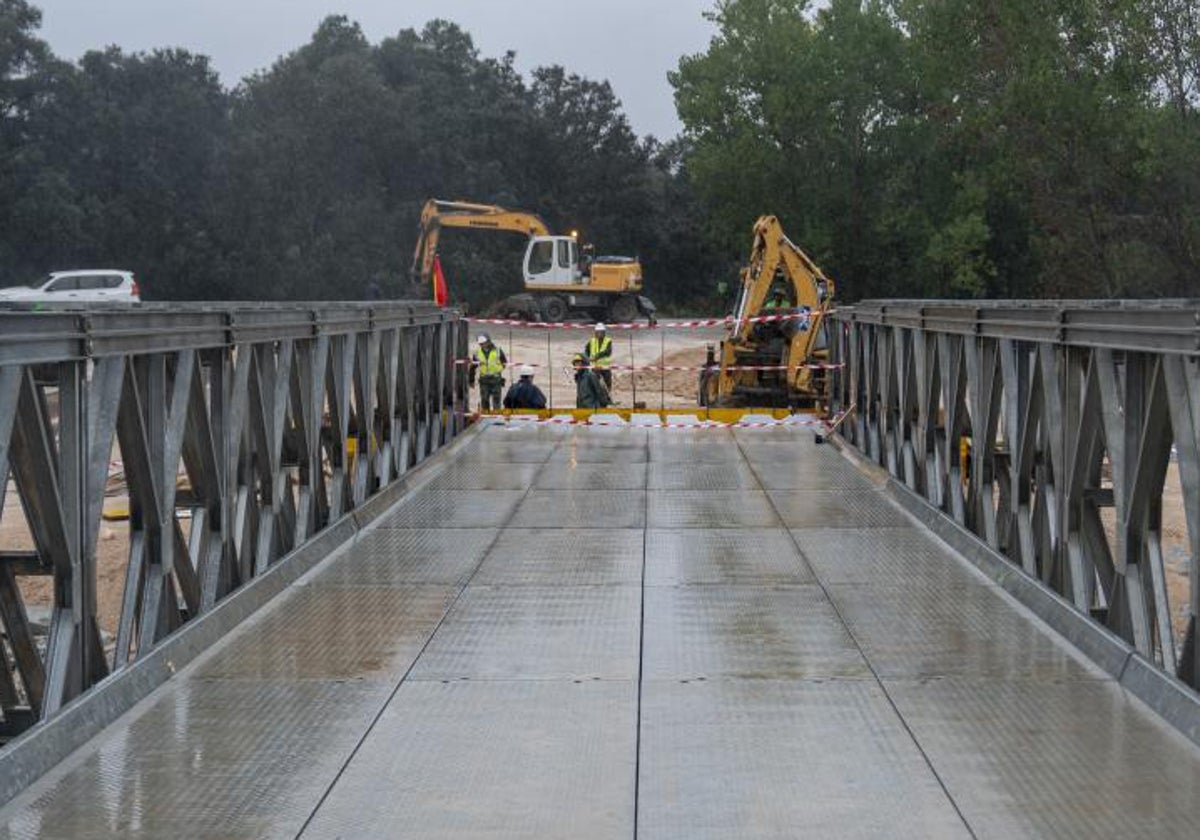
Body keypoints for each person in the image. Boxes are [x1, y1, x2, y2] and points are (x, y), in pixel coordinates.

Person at [469, 334, 507, 411]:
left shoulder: (498, 350)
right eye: (480, 344)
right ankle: (485, 418)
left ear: (488, 342)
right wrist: (471, 380)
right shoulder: (477, 353)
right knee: (485, 400)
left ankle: (496, 418)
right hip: (484, 380)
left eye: (483, 343)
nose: (482, 345)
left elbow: (504, 362)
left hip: (496, 380)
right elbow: (473, 367)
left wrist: (498, 370)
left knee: (496, 401)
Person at [584, 322, 614, 391]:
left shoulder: (608, 341)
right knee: (595, 384)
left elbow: (608, 352)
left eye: (601, 332)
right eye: (598, 332)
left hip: (605, 367)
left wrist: (597, 356)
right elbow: (586, 350)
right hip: (595, 367)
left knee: (607, 384)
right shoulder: (592, 341)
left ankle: (608, 397)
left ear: (604, 333)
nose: (599, 334)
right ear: (595, 332)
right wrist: (587, 358)